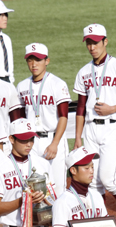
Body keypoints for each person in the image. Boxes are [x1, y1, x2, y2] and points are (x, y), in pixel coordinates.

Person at [73, 23, 116, 227]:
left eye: (96, 42)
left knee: (108, 178)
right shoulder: (84, 72)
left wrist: (113, 109)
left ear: (105, 41)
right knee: (92, 181)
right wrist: (77, 137)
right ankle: (100, 218)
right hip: (91, 130)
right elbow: (81, 106)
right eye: (89, 43)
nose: (92, 47)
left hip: (113, 128)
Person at [17, 43, 71, 196]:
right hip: (31, 142)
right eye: (30, 60)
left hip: (53, 139)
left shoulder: (57, 84)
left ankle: (60, 220)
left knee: (58, 188)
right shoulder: (22, 86)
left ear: (47, 61)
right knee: (34, 185)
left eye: (38, 60)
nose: (34, 64)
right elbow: (20, 120)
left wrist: (55, 143)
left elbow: (63, 117)